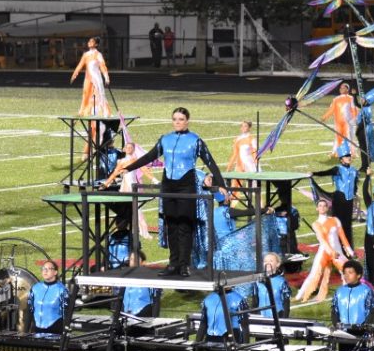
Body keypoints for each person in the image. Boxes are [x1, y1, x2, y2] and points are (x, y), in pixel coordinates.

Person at [107, 107, 225, 278]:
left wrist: (221, 185)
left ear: (187, 121)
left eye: (181, 119)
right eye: (175, 119)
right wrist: (128, 168)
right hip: (168, 185)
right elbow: (149, 157)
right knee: (172, 225)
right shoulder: (165, 139)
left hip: (186, 185)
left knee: (184, 225)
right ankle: (173, 263)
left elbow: (211, 162)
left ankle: (184, 265)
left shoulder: (195, 140)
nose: (177, 122)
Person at [294, 198, 353, 303]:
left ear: (327, 207)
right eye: (320, 206)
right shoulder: (316, 224)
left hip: (337, 251)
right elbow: (323, 240)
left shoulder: (335, 220)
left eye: (324, 206)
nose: (322, 207)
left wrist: (349, 250)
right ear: (317, 208)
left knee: (346, 271)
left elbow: (342, 236)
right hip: (325, 252)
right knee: (313, 274)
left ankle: (348, 294)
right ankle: (299, 296)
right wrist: (331, 252)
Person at [312, 150, 358, 247]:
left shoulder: (354, 170)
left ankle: (348, 247)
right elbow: (326, 172)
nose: (348, 158)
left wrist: (355, 194)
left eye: (349, 156)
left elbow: (355, 185)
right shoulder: (338, 169)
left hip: (349, 201)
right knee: (338, 224)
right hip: (339, 199)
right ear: (341, 160)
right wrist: (314, 173)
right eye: (346, 157)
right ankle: (337, 246)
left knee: (347, 225)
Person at [71, 37, 111, 118]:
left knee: (100, 94)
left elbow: (102, 66)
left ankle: (105, 111)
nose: (89, 42)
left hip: (96, 78)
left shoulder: (98, 55)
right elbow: (80, 65)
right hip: (88, 78)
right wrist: (74, 74)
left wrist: (106, 77)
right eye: (89, 41)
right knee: (85, 94)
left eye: (92, 42)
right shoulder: (86, 55)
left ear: (96, 44)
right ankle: (82, 111)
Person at [331, 259, 374, 328]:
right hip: (342, 331)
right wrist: (336, 325)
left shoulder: (366, 291)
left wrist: (364, 327)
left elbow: (370, 312)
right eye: (345, 273)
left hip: (359, 330)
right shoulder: (339, 291)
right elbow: (334, 311)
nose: (346, 276)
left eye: (350, 273)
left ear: (358, 275)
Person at [27, 261, 67, 333]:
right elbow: (30, 309)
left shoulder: (61, 290)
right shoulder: (35, 288)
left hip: (55, 329)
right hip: (37, 329)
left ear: (55, 272)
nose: (45, 271)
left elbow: (66, 313)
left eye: (49, 269)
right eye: (43, 268)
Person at [321, 82, 358, 155]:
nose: (341, 89)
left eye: (343, 88)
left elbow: (354, 110)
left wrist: (355, 119)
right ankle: (336, 152)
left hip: (348, 122)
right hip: (338, 122)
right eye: (340, 88)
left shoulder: (351, 98)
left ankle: (351, 152)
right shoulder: (336, 99)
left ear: (347, 89)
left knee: (349, 137)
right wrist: (324, 117)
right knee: (338, 137)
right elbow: (331, 110)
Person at [254, 252, 291, 319]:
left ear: (278, 264)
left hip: (277, 317)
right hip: (261, 318)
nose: (267, 263)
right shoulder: (258, 281)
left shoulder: (281, 282)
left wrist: (284, 320)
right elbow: (256, 302)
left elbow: (286, 303)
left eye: (271, 261)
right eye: (265, 261)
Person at [355, 87, 374, 170]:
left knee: (365, 148)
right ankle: (364, 165)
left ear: (367, 101)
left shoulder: (367, 109)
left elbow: (363, 121)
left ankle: (366, 165)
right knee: (363, 149)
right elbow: (357, 104)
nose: (361, 100)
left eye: (363, 99)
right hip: (364, 129)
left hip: (365, 130)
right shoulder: (365, 107)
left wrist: (357, 131)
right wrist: (354, 95)